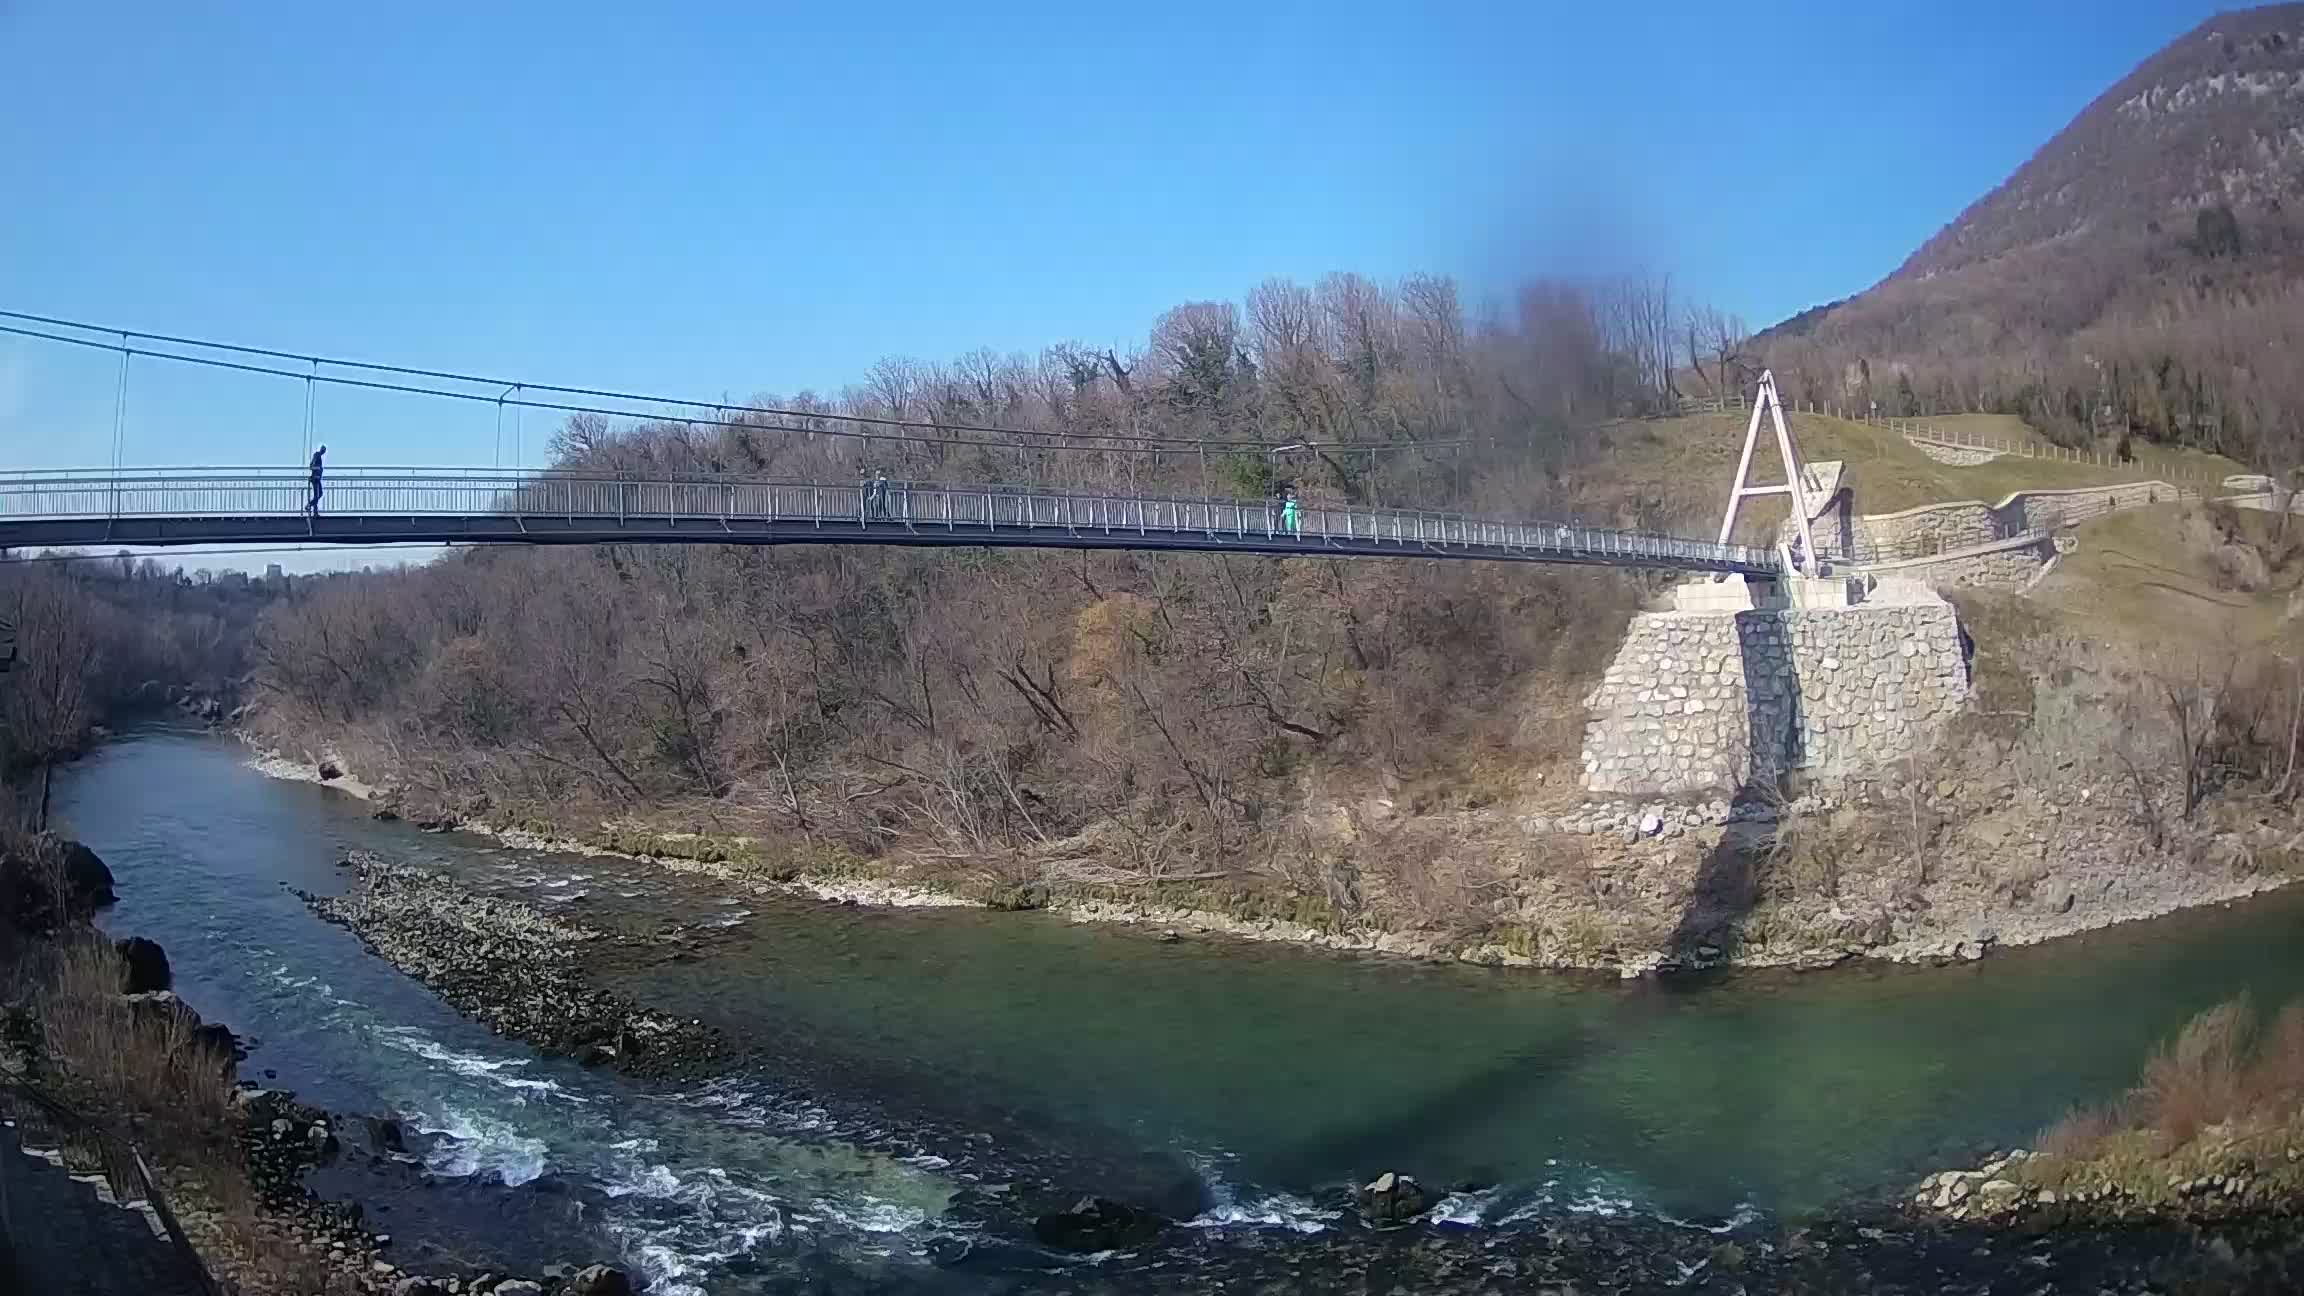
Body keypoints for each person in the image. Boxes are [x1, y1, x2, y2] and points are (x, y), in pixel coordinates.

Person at [306, 445, 327, 517]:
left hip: (317, 479)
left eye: (324, 451)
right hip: (315, 478)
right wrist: (319, 468)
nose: (324, 452)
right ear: (321, 449)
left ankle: (315, 511)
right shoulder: (317, 455)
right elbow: (311, 466)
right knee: (318, 495)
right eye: (323, 450)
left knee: (319, 494)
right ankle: (309, 506)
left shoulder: (319, 455)